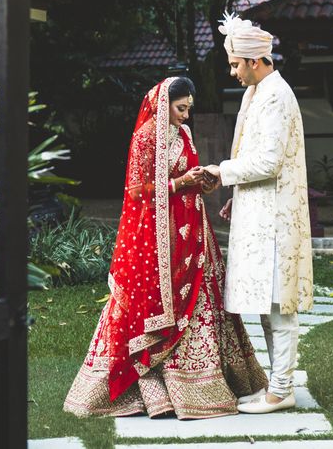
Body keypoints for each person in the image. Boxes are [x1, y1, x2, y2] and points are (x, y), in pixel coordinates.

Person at [64, 76, 267, 419]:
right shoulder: (146, 137)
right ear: (163, 104)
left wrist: (200, 181)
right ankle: (154, 391)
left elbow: (188, 174)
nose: (186, 116)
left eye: (189, 108)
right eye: (180, 108)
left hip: (193, 234)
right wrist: (179, 183)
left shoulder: (184, 134)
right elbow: (136, 191)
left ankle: (208, 384)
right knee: (151, 304)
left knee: (204, 298)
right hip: (159, 239)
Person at [200, 13, 314, 414]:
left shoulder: (276, 95)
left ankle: (281, 389)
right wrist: (238, 197)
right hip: (261, 210)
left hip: (277, 217)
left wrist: (221, 172)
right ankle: (276, 385)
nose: (233, 72)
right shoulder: (256, 92)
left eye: (235, 64)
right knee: (266, 305)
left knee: (280, 305)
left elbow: (267, 161)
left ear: (255, 61)